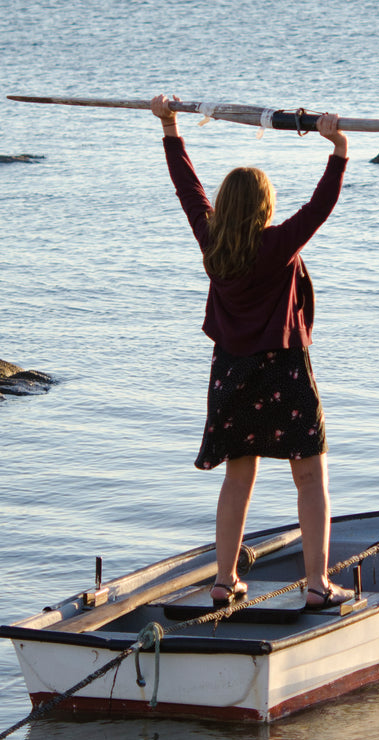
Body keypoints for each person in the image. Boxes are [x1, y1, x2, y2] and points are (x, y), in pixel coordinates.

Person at [151, 93, 354, 610]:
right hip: (283, 371)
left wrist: (171, 128)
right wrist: (338, 147)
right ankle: (316, 586)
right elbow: (321, 207)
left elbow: (187, 188)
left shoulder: (211, 241)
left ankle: (224, 581)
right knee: (309, 474)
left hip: (232, 374)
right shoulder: (278, 245)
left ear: (226, 204)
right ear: (265, 207)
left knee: (238, 475)